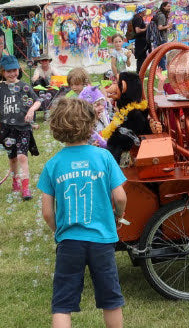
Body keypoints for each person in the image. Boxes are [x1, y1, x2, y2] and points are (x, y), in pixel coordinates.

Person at [38, 98, 127, 328]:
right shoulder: (104, 157)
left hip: (69, 242)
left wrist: (59, 232)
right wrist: (119, 215)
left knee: (62, 304)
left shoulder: (52, 164)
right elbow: (120, 197)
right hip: (102, 240)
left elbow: (47, 212)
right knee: (111, 300)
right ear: (90, 126)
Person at [0, 55, 41, 200]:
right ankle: (15, 180)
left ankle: (25, 188)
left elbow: (37, 101)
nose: (12, 74)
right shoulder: (1, 88)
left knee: (22, 156)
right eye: (8, 71)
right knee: (12, 159)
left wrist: (31, 110)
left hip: (23, 128)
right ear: (3, 72)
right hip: (6, 129)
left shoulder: (24, 86)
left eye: (14, 70)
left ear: (19, 69)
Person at [131, 4, 148, 73]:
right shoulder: (138, 18)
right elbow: (137, 30)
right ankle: (140, 72)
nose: (146, 11)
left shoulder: (138, 18)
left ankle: (141, 72)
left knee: (142, 58)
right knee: (141, 58)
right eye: (145, 10)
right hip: (140, 41)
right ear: (142, 11)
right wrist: (146, 28)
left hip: (141, 41)